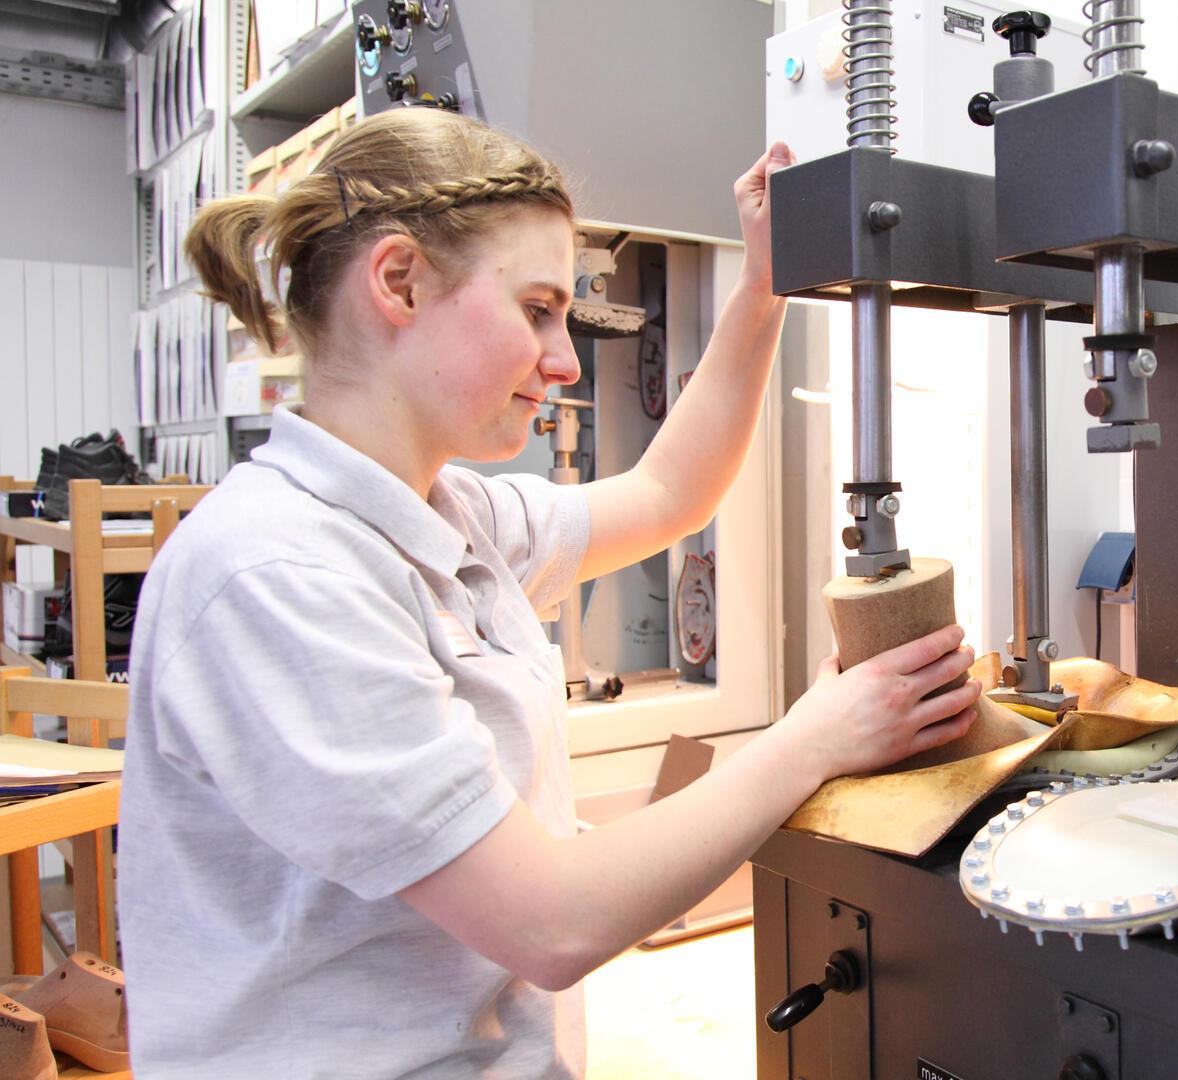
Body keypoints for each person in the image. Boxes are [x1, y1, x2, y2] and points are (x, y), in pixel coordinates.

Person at [118, 107, 981, 1078]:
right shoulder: (277, 575)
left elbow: (667, 494)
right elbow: (552, 920)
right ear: (398, 280)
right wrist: (822, 734)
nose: (567, 361)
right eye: (537, 309)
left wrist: (764, 284)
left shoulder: (452, 516)